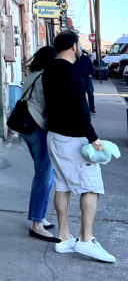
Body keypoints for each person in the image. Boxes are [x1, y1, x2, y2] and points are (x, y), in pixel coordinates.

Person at [42, 30, 114, 262]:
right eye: (79, 44)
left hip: (54, 134)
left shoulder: (50, 69)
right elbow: (79, 107)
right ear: (73, 46)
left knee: (62, 186)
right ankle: (85, 239)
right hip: (72, 138)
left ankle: (63, 239)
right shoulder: (69, 69)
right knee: (91, 187)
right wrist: (93, 138)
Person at [19, 45, 58, 242]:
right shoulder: (46, 77)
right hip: (38, 128)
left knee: (44, 172)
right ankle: (36, 223)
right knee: (44, 174)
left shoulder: (32, 75)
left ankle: (40, 217)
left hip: (27, 129)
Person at [75, 46, 96, 112]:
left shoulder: (86, 58)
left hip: (87, 77)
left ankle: (92, 108)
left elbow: (91, 67)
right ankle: (84, 108)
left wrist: (91, 73)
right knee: (82, 94)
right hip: (79, 78)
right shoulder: (74, 59)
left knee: (90, 93)